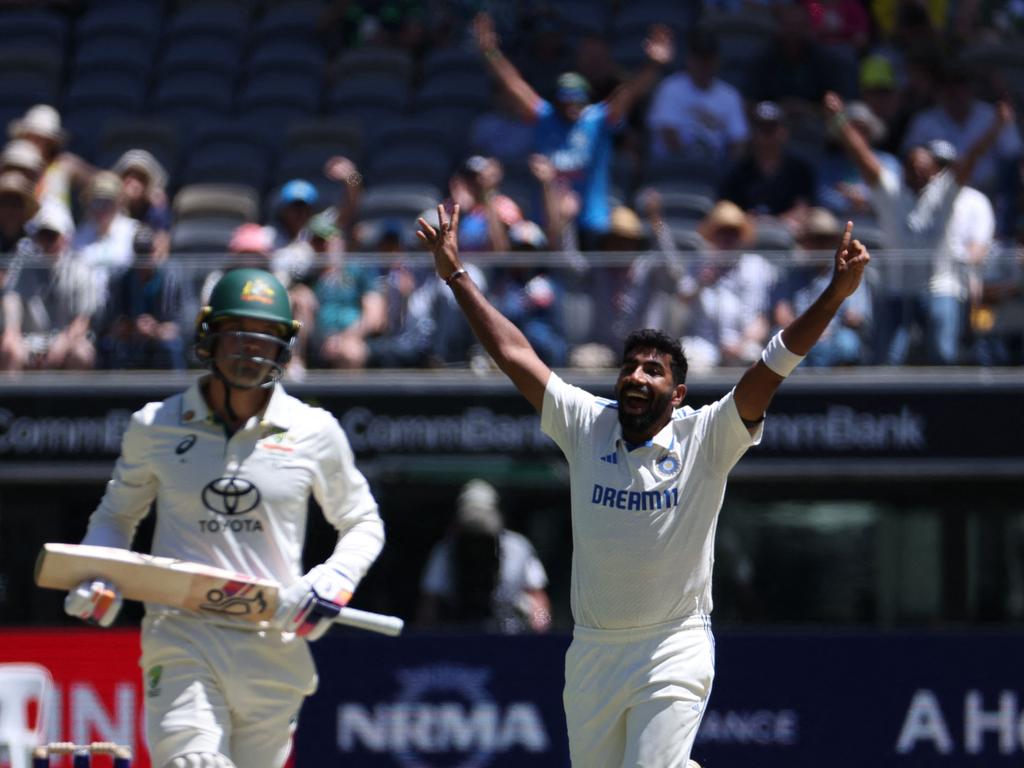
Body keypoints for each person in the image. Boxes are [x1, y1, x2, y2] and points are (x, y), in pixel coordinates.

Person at [416, 202, 868, 767]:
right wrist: (456, 274)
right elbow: (513, 353)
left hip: (673, 645)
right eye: (630, 365)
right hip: (593, 652)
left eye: (653, 370)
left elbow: (771, 368)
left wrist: (834, 294)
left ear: (677, 393)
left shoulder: (706, 435)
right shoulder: (586, 423)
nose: (636, 375)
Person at [63, 267, 385, 768]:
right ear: (208, 335)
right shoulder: (155, 425)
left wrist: (334, 578)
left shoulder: (314, 430)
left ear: (286, 347)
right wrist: (97, 572)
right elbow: (115, 518)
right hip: (182, 634)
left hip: (273, 646)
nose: (249, 350)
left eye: (265, 338)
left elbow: (363, 521)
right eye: (236, 333)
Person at [825, 90, 1007, 363]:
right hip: (897, 289)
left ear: (935, 171)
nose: (919, 171)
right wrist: (840, 120)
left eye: (925, 167)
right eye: (912, 166)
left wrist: (996, 129)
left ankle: (944, 405)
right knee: (887, 358)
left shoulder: (944, 192)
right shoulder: (891, 190)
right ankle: (887, 408)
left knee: (943, 355)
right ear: (903, 169)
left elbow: (971, 158)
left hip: (940, 287)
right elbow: (861, 154)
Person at [471, 11, 673, 247]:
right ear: (556, 101)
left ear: (585, 100)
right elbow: (513, 85)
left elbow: (629, 93)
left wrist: (653, 66)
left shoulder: (596, 120)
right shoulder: (545, 117)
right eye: (565, 102)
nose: (570, 107)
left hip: (592, 224)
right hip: (549, 224)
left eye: (576, 101)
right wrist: (490, 52)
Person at [417, 478, 551, 634]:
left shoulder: (519, 547)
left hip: (512, 635)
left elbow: (538, 597)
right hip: (460, 634)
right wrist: (423, 637)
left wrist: (543, 630)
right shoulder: (445, 550)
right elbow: (429, 604)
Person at [645, 28, 748, 162]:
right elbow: (668, 134)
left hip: (715, 169)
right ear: (690, 59)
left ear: (717, 61)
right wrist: (693, 164)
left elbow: (739, 141)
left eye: (708, 59)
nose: (704, 64)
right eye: (700, 58)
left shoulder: (730, 96)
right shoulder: (670, 88)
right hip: (673, 166)